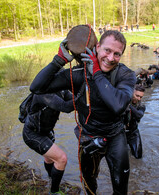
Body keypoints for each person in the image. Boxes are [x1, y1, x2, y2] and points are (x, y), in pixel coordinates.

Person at [30, 30, 136, 195]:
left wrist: (97, 73)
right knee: (89, 185)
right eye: (107, 50)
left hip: (115, 136)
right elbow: (37, 88)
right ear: (98, 47)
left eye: (117, 54)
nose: (110, 58)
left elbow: (118, 105)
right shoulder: (79, 74)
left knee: (121, 188)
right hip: (88, 137)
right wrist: (58, 61)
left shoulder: (125, 75)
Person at [22, 91, 75, 194]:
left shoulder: (61, 90)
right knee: (61, 159)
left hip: (45, 132)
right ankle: (54, 191)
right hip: (32, 134)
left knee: (50, 158)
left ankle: (52, 179)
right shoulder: (43, 92)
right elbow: (66, 107)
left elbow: (73, 99)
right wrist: (83, 98)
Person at [124, 84, 146, 159]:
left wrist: (128, 105)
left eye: (141, 97)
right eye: (137, 96)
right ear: (131, 92)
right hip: (120, 133)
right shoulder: (121, 101)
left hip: (133, 132)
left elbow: (139, 115)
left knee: (138, 157)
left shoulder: (141, 105)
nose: (139, 99)